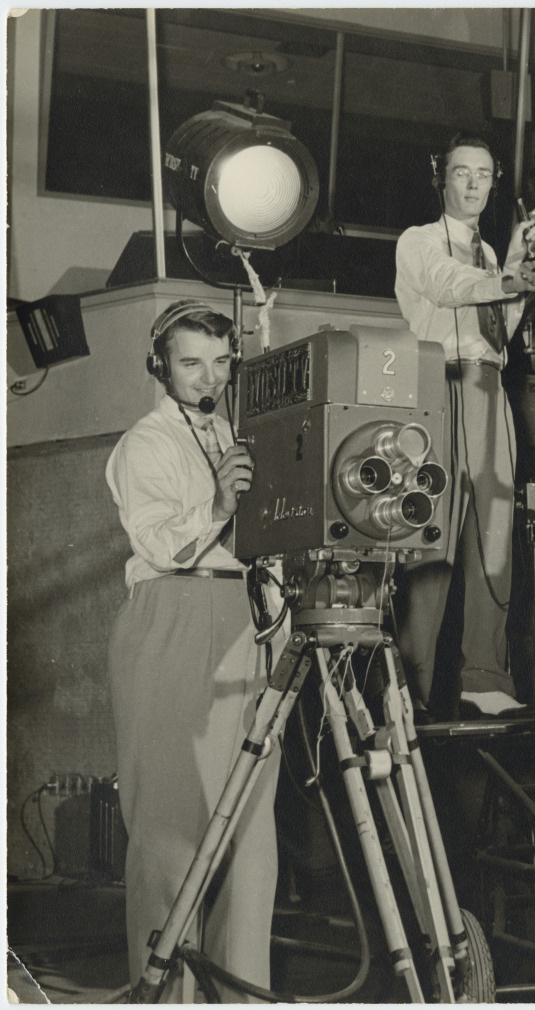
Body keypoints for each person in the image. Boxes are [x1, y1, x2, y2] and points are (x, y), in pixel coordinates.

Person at [106, 300, 277, 999]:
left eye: (219, 361)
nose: (207, 376)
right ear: (161, 367)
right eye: (189, 362)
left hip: (250, 619)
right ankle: (167, 997)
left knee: (249, 834)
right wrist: (219, 506)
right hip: (174, 613)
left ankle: (241, 995)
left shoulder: (238, 434)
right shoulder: (145, 443)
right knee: (171, 833)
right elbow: (158, 541)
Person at [393, 132, 535, 719]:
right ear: (442, 177)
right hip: (437, 386)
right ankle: (407, 686)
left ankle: (484, 676)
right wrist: (509, 280)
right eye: (461, 172)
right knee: (429, 537)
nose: (472, 184)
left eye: (483, 175)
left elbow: (498, 331)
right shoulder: (419, 243)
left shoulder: (489, 256)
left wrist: (516, 264)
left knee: (495, 530)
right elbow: (446, 287)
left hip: (490, 387)